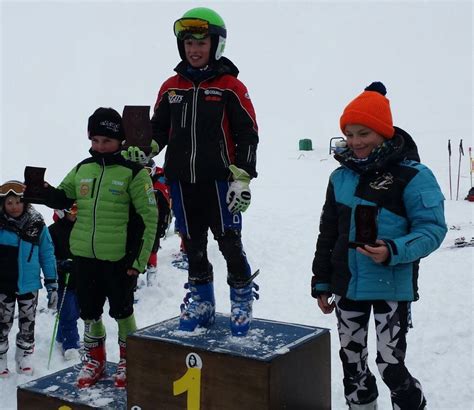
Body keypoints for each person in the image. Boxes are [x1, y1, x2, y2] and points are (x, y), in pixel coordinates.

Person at [124, 7, 259, 336]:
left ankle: (242, 300)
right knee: (193, 243)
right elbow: (158, 130)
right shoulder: (171, 87)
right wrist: (145, 149)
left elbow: (248, 134)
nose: (194, 49)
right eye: (188, 43)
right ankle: (202, 302)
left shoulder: (230, 87)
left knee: (229, 243)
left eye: (201, 43)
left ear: (216, 45)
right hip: (182, 182)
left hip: (219, 182)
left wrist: (242, 177)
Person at [311, 82, 447, 410]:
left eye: (364, 133)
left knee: (390, 367)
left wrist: (393, 249)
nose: (355, 142)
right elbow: (328, 233)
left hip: (391, 287)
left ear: (383, 133)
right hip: (347, 287)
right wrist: (321, 281)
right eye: (350, 134)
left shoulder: (413, 175)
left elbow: (432, 229)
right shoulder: (339, 178)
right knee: (352, 364)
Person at [40, 107, 157, 388]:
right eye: (95, 140)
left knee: (123, 312)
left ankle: (130, 359)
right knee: (89, 313)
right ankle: (94, 359)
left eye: (106, 140)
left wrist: (138, 261)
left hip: (119, 259)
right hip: (84, 256)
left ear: (120, 140)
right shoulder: (83, 168)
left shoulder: (134, 173)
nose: (100, 146)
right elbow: (62, 194)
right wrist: (42, 191)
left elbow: (149, 219)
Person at [0, 180, 58, 377]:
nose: (14, 207)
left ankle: (24, 354)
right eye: (9, 203)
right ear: (2, 204)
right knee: (2, 321)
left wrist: (52, 283)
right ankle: (0, 356)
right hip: (3, 284)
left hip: (29, 284)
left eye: (17, 202)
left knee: (28, 322)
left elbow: (47, 254)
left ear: (25, 202)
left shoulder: (37, 225)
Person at [48, 204, 81, 360]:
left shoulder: (82, 228)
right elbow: (48, 256)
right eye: (72, 210)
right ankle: (71, 346)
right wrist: (61, 264)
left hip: (80, 278)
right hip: (63, 279)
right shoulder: (53, 230)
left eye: (78, 210)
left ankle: (61, 337)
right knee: (68, 313)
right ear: (63, 212)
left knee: (76, 311)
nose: (76, 214)